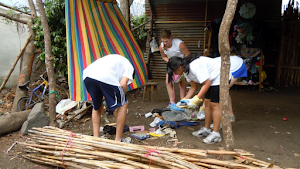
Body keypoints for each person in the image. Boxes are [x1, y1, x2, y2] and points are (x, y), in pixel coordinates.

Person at [167, 53, 247, 144]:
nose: (175, 74)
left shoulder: (194, 66)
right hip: (211, 79)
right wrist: (183, 101)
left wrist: (196, 99)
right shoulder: (185, 71)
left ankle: (216, 134)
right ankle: (207, 129)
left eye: (174, 71)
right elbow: (193, 87)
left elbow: (207, 83)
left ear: (179, 67)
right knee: (207, 103)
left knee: (214, 104)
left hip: (219, 76)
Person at [83, 54, 135, 142]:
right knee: (124, 104)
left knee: (97, 105)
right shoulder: (130, 67)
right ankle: (118, 140)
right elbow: (123, 84)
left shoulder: (115, 61)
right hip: (105, 76)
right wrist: (120, 102)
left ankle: (96, 138)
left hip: (87, 75)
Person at [159, 30, 190, 108]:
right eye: (163, 41)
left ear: (171, 38)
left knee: (182, 83)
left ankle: (183, 101)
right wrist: (170, 62)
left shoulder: (179, 44)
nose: (165, 43)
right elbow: (164, 56)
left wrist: (182, 64)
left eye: (166, 41)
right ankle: (172, 102)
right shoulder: (162, 46)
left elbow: (187, 54)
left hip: (181, 64)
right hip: (171, 64)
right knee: (168, 81)